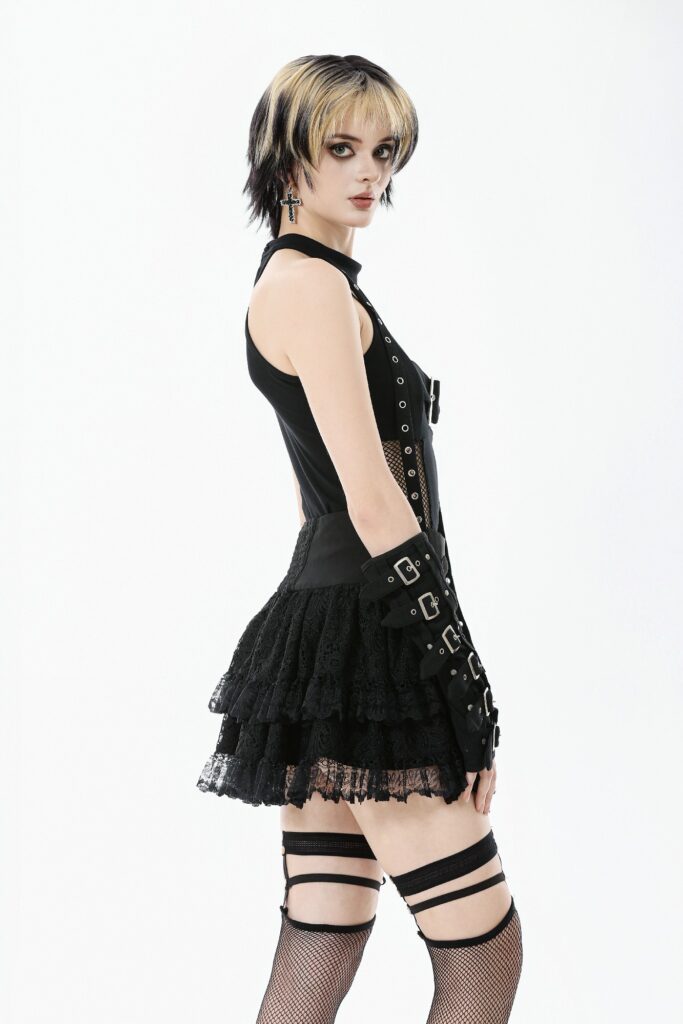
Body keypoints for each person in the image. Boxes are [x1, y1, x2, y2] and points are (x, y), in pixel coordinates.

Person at [197, 53, 523, 1023]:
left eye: (383, 152)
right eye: (340, 148)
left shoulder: (305, 283)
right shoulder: (309, 288)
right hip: (372, 635)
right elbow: (374, 507)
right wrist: (464, 684)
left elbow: (317, 507)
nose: (368, 172)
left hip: (334, 632)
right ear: (283, 153)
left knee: (323, 934)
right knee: (483, 953)